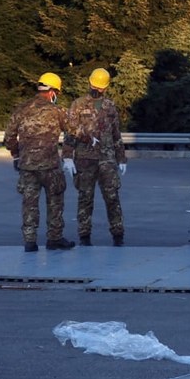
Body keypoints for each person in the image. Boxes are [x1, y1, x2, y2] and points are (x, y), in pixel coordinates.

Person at [3, 72, 75, 252]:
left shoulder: (22, 109)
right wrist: (67, 154)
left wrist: (16, 155)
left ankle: (30, 241)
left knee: (29, 203)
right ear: (52, 92)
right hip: (50, 166)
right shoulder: (57, 111)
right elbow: (73, 133)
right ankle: (54, 239)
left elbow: (9, 137)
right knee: (55, 201)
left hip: (27, 167)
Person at [65, 68, 127, 247]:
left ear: (105, 88)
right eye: (95, 85)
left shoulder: (110, 106)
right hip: (84, 159)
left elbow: (116, 134)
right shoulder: (77, 105)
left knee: (112, 197)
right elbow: (70, 132)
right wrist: (68, 156)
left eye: (100, 87)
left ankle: (118, 235)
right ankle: (84, 236)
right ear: (89, 83)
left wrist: (121, 158)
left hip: (106, 159)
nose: (97, 89)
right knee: (85, 198)